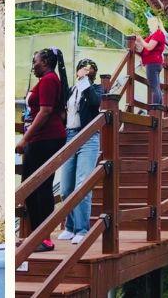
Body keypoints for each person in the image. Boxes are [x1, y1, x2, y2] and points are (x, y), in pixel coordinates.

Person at [16, 47, 69, 252]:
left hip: (46, 139)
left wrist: (25, 139)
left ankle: (44, 238)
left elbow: (46, 111)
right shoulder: (47, 79)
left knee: (40, 186)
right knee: (31, 187)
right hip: (41, 139)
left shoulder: (48, 80)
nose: (33, 65)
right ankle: (36, 235)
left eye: (35, 61)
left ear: (45, 62)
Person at [57, 58, 103, 245]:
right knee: (66, 187)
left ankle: (82, 229)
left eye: (89, 68)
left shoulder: (96, 89)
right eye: (82, 68)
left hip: (88, 138)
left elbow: (95, 103)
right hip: (70, 136)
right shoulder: (71, 91)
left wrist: (85, 82)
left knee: (82, 185)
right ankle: (70, 226)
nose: (85, 70)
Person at [135, 16, 168, 106]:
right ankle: (158, 108)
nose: (148, 26)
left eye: (149, 24)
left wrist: (140, 40)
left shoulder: (158, 34)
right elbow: (145, 48)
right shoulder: (155, 35)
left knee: (154, 87)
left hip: (153, 63)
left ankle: (156, 108)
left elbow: (149, 47)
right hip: (154, 62)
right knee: (156, 87)